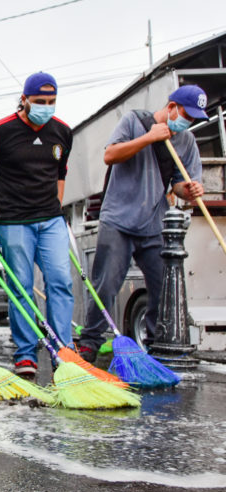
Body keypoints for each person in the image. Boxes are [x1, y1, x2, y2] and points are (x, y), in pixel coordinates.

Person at [77, 85, 207, 361]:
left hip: (153, 223)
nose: (188, 122)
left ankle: (156, 345)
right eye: (186, 114)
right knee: (106, 285)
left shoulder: (186, 142)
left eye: (194, 119)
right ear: (171, 107)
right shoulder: (134, 121)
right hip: (118, 220)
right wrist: (149, 138)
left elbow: (179, 187)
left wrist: (190, 190)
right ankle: (89, 344)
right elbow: (110, 155)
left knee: (163, 285)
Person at [0, 72, 74, 379]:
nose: (46, 106)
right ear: (25, 100)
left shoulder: (63, 132)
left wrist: (56, 205)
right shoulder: (0, 131)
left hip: (50, 219)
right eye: (39, 101)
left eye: (51, 101)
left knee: (60, 282)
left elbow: (61, 171)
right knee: (22, 287)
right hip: (13, 220)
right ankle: (26, 353)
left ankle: (62, 349)